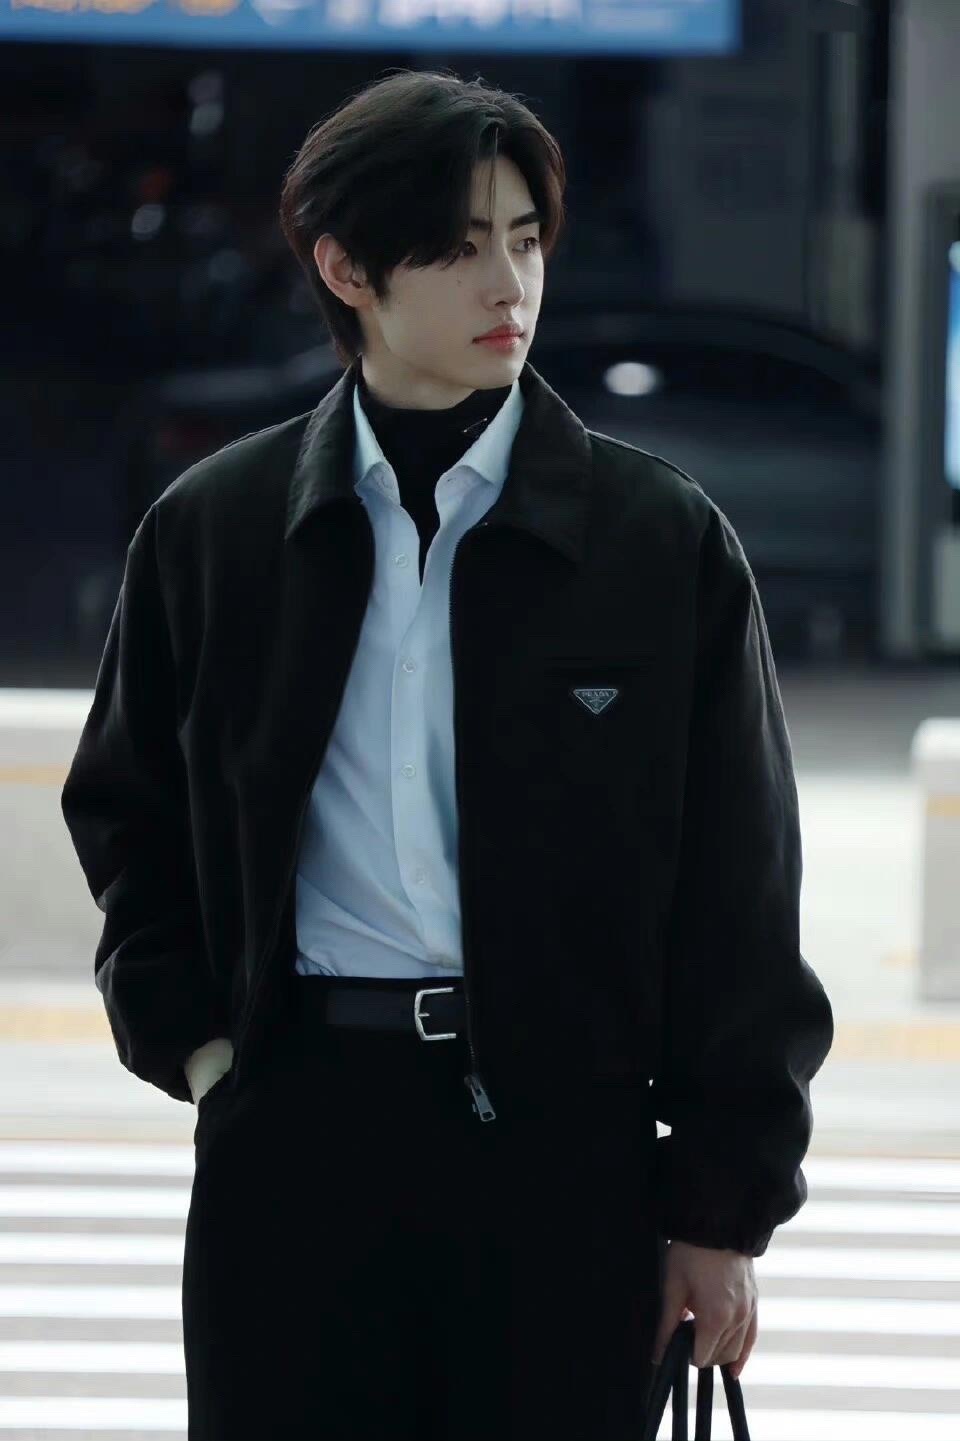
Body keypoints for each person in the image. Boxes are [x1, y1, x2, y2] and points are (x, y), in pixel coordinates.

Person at [61, 66, 835, 1441]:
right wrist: (204, 1051)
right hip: (296, 1137)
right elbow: (128, 812)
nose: (508, 284)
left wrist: (721, 1207)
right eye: (460, 244)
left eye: (526, 239)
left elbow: (741, 890)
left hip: (566, 1152)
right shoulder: (216, 531)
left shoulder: (657, 543)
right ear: (346, 268)